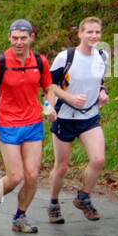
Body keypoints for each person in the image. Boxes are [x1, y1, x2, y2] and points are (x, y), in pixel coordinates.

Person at [0, 18, 54, 233]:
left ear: (31, 38)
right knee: (15, 176)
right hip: (8, 125)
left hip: (33, 124)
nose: (19, 42)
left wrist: (49, 106)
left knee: (32, 175)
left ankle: (20, 216)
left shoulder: (40, 61)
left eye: (23, 38)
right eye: (15, 38)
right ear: (9, 38)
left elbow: (49, 88)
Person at [46, 16, 110, 223]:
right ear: (80, 34)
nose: (94, 36)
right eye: (89, 32)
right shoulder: (66, 57)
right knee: (62, 166)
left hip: (89, 116)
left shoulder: (102, 56)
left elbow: (99, 82)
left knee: (98, 159)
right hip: (65, 116)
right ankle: (54, 203)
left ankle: (83, 197)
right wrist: (70, 97)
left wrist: (103, 93)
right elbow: (50, 85)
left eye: (97, 32)